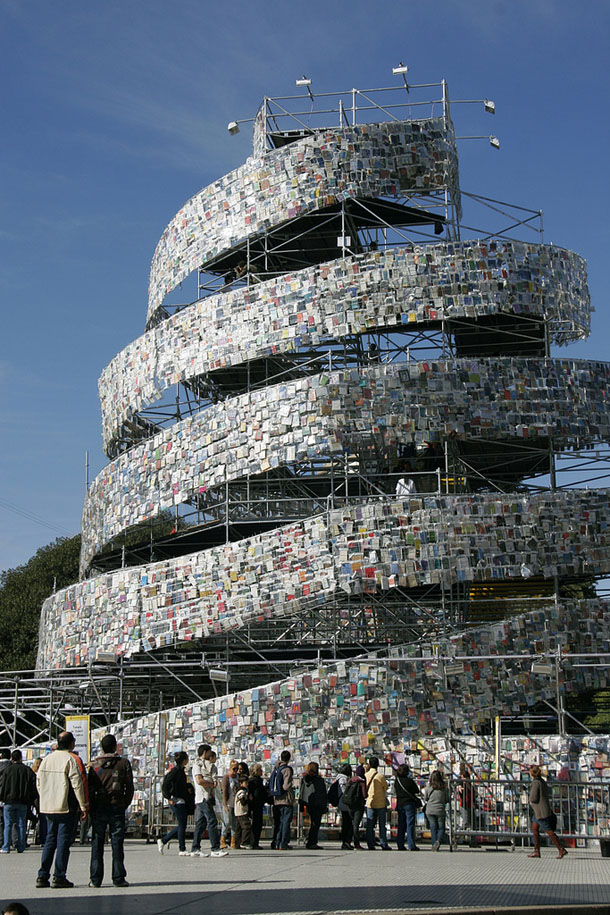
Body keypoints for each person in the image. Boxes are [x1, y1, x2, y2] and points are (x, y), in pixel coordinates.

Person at [35, 731, 88, 888]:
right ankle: (59, 875)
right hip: (66, 806)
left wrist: (45, 799)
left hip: (48, 806)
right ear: (72, 743)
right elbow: (77, 784)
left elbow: (38, 782)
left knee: (50, 840)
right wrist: (83, 805)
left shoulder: (46, 760)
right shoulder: (70, 759)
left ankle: (42, 875)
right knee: (63, 841)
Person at [87, 734, 134, 887]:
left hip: (99, 807)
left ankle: (95, 879)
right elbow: (129, 787)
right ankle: (118, 877)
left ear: (102, 747)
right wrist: (124, 803)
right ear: (115, 747)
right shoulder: (123, 763)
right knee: (117, 842)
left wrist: (92, 806)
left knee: (97, 842)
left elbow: (89, 788)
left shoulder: (94, 766)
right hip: (117, 806)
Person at [190, 745, 227, 858]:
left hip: (206, 797)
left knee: (201, 823)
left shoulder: (208, 766)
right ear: (205, 752)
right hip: (203, 797)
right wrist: (211, 784)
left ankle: (195, 848)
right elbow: (199, 780)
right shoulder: (197, 765)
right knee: (212, 821)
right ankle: (215, 848)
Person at [0, 750, 36, 854]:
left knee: (8, 824)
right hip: (23, 801)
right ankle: (21, 846)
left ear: (12, 758)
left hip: (9, 800)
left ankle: (6, 846)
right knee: (21, 824)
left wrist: (2, 797)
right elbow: (33, 785)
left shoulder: (8, 770)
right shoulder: (27, 770)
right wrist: (30, 798)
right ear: (21, 758)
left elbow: (3, 785)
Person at [528, 765, 567, 859]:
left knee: (548, 830)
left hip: (540, 811)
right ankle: (536, 850)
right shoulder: (542, 781)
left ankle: (561, 849)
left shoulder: (535, 783)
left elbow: (533, 797)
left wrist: (530, 800)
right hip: (540, 810)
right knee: (534, 828)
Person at [158, 752, 191, 856]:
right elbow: (166, 784)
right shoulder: (175, 771)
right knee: (182, 825)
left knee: (182, 825)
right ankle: (181, 848)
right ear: (184, 760)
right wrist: (169, 797)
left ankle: (164, 840)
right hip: (177, 800)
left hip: (181, 799)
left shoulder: (180, 770)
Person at [299, 761, 328, 850]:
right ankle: (312, 841)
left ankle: (310, 840)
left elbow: (302, 791)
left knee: (313, 823)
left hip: (308, 803)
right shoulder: (318, 780)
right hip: (317, 805)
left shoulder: (304, 779)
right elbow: (322, 793)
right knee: (316, 824)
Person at [364, 756, 391, 851]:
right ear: (378, 765)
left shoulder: (366, 775)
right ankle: (383, 843)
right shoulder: (380, 776)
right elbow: (386, 787)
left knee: (370, 824)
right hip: (380, 803)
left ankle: (370, 843)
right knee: (382, 825)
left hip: (369, 802)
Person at [394, 763, 421, 851]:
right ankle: (411, 844)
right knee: (410, 824)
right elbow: (416, 790)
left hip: (400, 804)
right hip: (409, 803)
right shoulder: (409, 781)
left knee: (401, 824)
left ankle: (400, 844)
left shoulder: (396, 781)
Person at [271, 750, 294, 851]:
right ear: (289, 758)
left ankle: (276, 842)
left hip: (276, 799)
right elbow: (286, 786)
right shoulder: (287, 770)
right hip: (285, 799)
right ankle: (283, 843)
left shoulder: (276, 768)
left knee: (278, 822)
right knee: (285, 821)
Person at [424, 769, 449, 851]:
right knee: (441, 828)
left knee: (433, 828)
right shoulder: (444, 788)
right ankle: (438, 841)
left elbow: (426, 798)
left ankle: (434, 844)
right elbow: (447, 799)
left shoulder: (428, 787)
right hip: (440, 810)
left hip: (430, 810)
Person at [247, 763, 267, 850]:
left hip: (255, 804)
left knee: (256, 824)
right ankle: (255, 842)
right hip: (257, 805)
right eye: (260, 770)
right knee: (257, 824)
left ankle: (254, 842)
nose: (261, 772)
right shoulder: (256, 781)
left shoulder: (252, 781)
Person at [221, 759, 239, 849]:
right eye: (234, 769)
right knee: (226, 821)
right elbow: (224, 792)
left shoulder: (237, 777)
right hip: (228, 802)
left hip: (235, 802)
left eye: (237, 769)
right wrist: (224, 804)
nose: (235, 771)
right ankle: (223, 839)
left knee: (233, 822)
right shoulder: (226, 778)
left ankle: (233, 840)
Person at [456, 762, 475, 843]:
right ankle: (457, 835)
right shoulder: (461, 785)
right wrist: (460, 786)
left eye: (465, 778)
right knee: (466, 822)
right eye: (462, 778)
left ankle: (473, 841)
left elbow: (473, 793)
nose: (464, 779)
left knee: (473, 824)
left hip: (471, 805)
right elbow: (460, 791)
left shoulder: (470, 785)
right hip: (464, 805)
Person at [234, 776, 252, 848]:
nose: (247, 784)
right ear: (241, 783)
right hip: (242, 812)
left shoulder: (241, 791)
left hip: (238, 812)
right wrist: (248, 799)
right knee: (246, 827)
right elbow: (243, 802)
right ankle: (244, 842)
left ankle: (237, 843)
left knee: (238, 829)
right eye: (245, 783)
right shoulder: (241, 792)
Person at [0, 749, 10, 846]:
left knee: (1, 821)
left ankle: (1, 840)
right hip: (10, 797)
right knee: (13, 822)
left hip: (1, 797)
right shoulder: (12, 767)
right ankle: (14, 841)